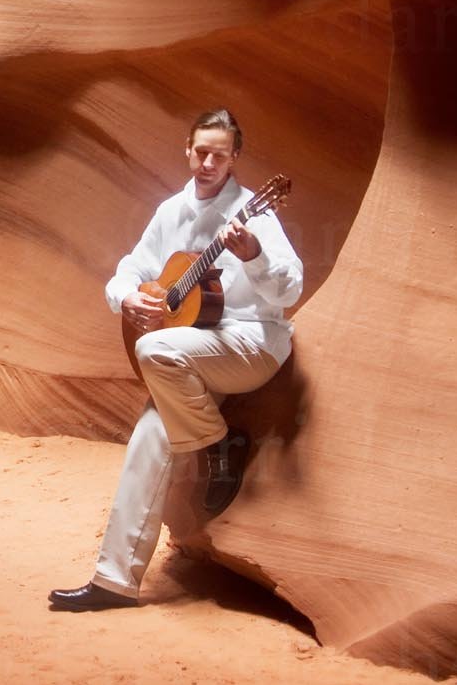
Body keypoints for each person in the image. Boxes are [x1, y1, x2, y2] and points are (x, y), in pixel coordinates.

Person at [49, 108, 303, 612]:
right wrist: (126, 297)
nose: (208, 162)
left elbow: (290, 288)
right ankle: (113, 582)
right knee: (148, 437)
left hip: (251, 345)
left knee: (154, 348)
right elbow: (129, 269)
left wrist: (253, 253)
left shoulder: (256, 211)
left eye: (219, 155)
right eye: (201, 152)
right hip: (188, 349)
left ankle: (218, 444)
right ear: (188, 151)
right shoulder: (170, 211)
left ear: (234, 159)